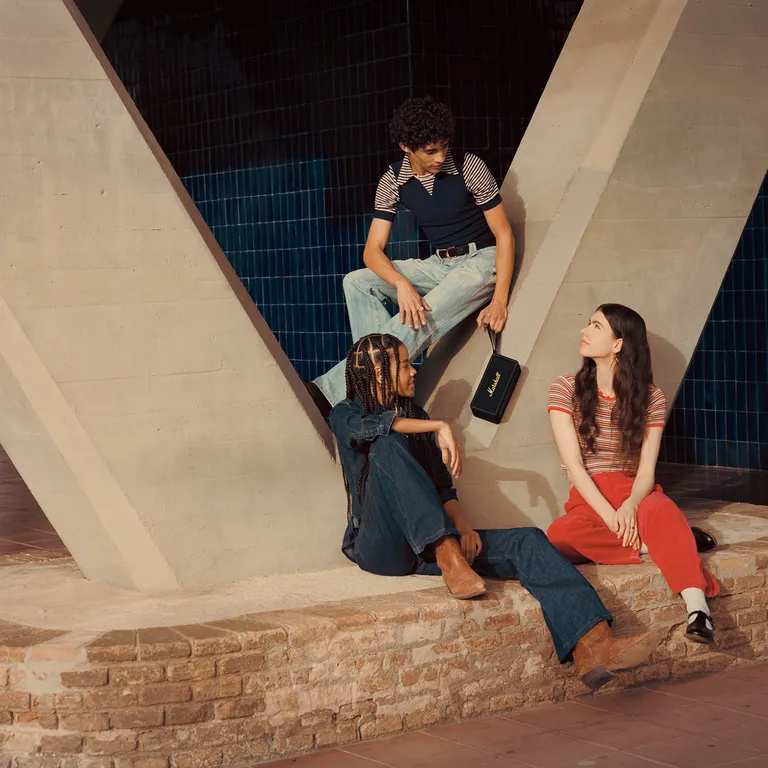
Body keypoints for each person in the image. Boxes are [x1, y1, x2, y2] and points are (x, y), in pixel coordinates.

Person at [329, 332, 661, 691]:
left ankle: (595, 645)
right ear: (380, 372)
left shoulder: (416, 416)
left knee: (528, 541)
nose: (414, 372)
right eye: (406, 365)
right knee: (387, 444)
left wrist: (463, 527)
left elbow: (442, 487)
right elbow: (372, 429)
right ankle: (447, 553)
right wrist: (439, 426)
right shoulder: (345, 413)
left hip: (427, 546)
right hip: (381, 549)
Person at [308, 97, 515, 415]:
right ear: (406, 146)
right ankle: (383, 390)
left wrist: (499, 300)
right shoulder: (393, 180)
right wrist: (401, 283)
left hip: (481, 262)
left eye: (444, 147)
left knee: (421, 316)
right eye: (430, 151)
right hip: (438, 265)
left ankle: (335, 391)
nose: (440, 157)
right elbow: (372, 251)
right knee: (358, 282)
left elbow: (504, 234)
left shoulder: (469, 166)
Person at [546, 304, 720, 645]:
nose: (584, 330)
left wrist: (631, 505)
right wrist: (611, 516)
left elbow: (646, 471)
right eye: (588, 323)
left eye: (596, 326)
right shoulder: (564, 388)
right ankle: (661, 541)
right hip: (589, 498)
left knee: (662, 509)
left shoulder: (652, 397)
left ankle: (698, 611)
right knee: (559, 536)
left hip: (636, 492)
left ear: (618, 344)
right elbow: (575, 467)